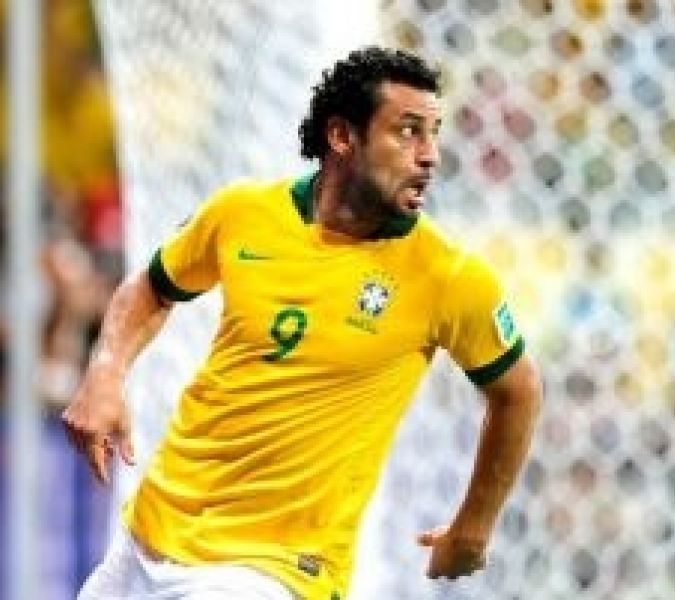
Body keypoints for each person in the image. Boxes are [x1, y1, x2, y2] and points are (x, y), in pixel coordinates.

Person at [62, 46, 540, 600]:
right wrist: (106, 372)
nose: (429, 154)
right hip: (147, 537)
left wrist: (474, 526)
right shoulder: (242, 213)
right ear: (342, 136)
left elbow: (519, 391)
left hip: (272, 573)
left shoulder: (448, 277)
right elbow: (150, 288)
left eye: (434, 134)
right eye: (408, 132)